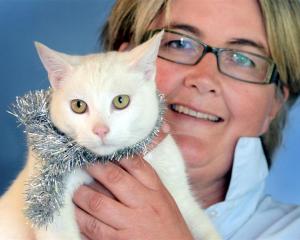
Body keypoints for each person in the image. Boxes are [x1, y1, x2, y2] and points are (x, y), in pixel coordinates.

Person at [73, 0, 300, 239]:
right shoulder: (43, 210)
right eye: (179, 43)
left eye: (244, 59)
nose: (204, 79)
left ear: (275, 104)